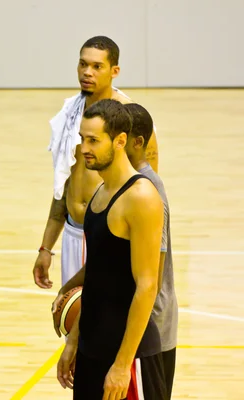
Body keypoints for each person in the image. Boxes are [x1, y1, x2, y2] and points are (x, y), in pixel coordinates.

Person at [55, 99, 167, 399]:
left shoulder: (142, 198)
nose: (84, 148)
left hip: (129, 357)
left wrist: (122, 364)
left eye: (93, 140)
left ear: (119, 141)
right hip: (93, 349)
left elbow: (147, 285)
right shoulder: (100, 192)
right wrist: (73, 341)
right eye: (82, 139)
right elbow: (97, 277)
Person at [33, 36, 160, 290]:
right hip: (71, 234)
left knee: (102, 324)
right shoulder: (69, 114)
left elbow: (149, 185)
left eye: (97, 66)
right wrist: (46, 247)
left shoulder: (131, 118)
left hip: (109, 236)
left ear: (115, 71)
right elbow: (62, 186)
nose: (87, 72)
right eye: (83, 64)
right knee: (71, 323)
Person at [124, 103, 178, 398]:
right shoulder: (129, 185)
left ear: (137, 142)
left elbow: (151, 281)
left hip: (150, 329)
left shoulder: (149, 191)